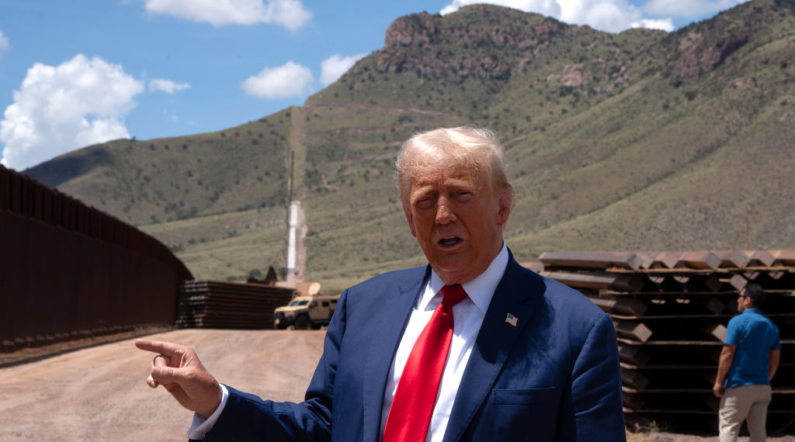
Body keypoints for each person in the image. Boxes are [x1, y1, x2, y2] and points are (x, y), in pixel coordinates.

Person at [136, 127, 625, 441]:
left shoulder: (575, 330)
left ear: (503, 207)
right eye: (425, 200)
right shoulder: (362, 307)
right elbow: (324, 427)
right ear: (409, 221)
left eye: (461, 195)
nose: (443, 215)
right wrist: (216, 401)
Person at [713, 282, 781, 442]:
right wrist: (766, 379)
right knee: (758, 433)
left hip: (739, 385)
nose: (738, 300)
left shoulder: (737, 322)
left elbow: (727, 353)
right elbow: (775, 360)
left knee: (729, 428)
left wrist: (719, 381)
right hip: (762, 387)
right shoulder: (771, 326)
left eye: (740, 296)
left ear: (747, 300)